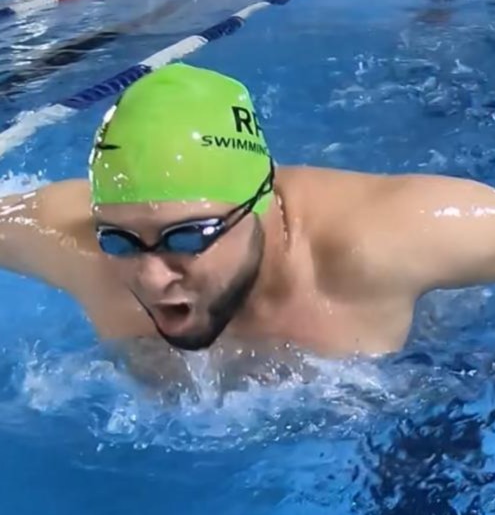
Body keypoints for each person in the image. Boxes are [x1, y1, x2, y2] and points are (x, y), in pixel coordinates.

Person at [2, 62, 495, 367]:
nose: (152, 278)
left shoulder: (381, 241)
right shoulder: (76, 249)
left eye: (186, 237)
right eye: (120, 239)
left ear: (262, 200)